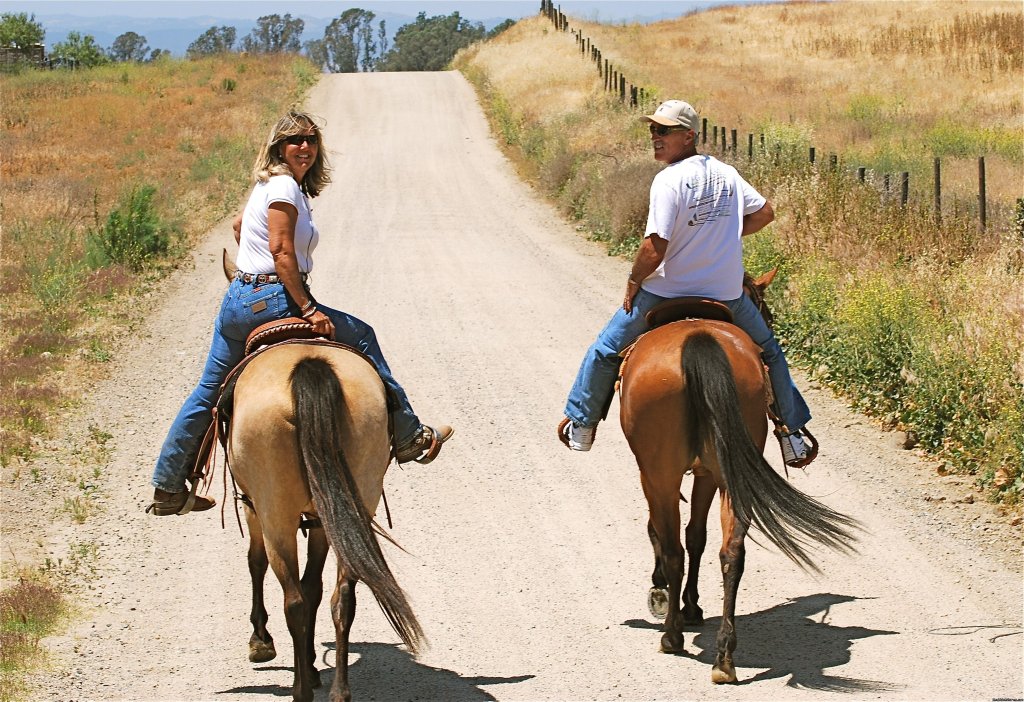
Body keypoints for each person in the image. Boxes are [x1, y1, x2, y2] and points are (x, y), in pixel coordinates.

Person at [148, 111, 453, 516]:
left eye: (311, 140)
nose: (305, 148)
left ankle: (169, 484)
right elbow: (281, 251)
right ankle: (409, 434)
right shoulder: (285, 188)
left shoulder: (266, 185)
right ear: (278, 147)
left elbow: (240, 225)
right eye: (295, 141)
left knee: (208, 390)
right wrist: (307, 307)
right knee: (362, 334)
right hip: (277, 298)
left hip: (238, 300)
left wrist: (249, 261)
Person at [559, 99, 812, 467]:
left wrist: (633, 280)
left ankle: (582, 423)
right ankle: (791, 433)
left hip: (665, 293)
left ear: (689, 136)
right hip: (726, 296)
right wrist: (723, 234)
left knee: (604, 350)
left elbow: (655, 245)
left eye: (663, 131)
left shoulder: (668, 180)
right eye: (653, 130)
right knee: (770, 353)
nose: (655, 137)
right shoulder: (726, 173)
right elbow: (765, 213)